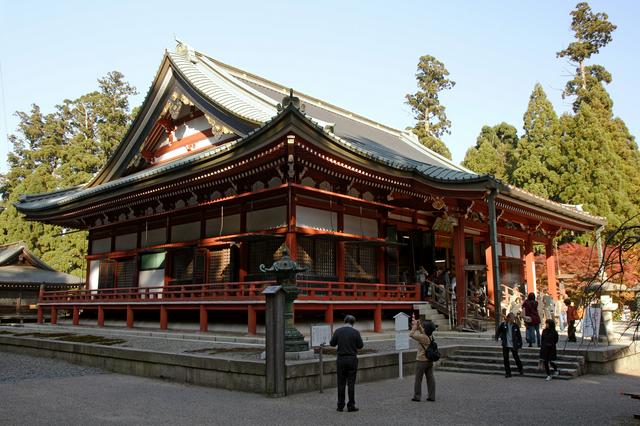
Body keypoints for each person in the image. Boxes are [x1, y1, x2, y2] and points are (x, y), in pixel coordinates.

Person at [330, 314, 364, 412]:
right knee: (351, 383)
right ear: (353, 323)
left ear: (344, 321)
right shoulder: (355, 332)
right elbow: (360, 346)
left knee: (341, 383)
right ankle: (351, 405)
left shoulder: (338, 331)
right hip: (352, 359)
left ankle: (340, 405)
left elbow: (332, 343)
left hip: (341, 359)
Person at [409, 317, 436, 401]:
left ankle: (417, 396)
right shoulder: (430, 336)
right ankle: (431, 396)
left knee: (418, 379)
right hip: (429, 361)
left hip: (421, 361)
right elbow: (424, 332)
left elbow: (411, 335)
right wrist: (419, 326)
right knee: (430, 379)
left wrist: (414, 327)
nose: (423, 328)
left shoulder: (423, 337)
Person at [495, 312, 524, 378]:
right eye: (512, 317)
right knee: (506, 359)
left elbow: (519, 336)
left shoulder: (515, 325)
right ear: (508, 318)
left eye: (514, 317)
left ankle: (520, 369)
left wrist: (520, 344)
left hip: (513, 344)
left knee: (516, 357)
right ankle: (508, 373)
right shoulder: (503, 324)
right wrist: (497, 337)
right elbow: (498, 331)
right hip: (506, 344)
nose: (513, 319)